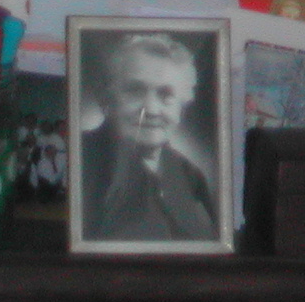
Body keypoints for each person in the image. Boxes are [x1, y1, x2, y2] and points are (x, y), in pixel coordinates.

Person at [79, 32, 218, 243]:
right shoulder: (80, 159)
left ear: (182, 105)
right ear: (106, 97)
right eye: (135, 91)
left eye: (166, 95)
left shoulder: (190, 175)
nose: (151, 109)